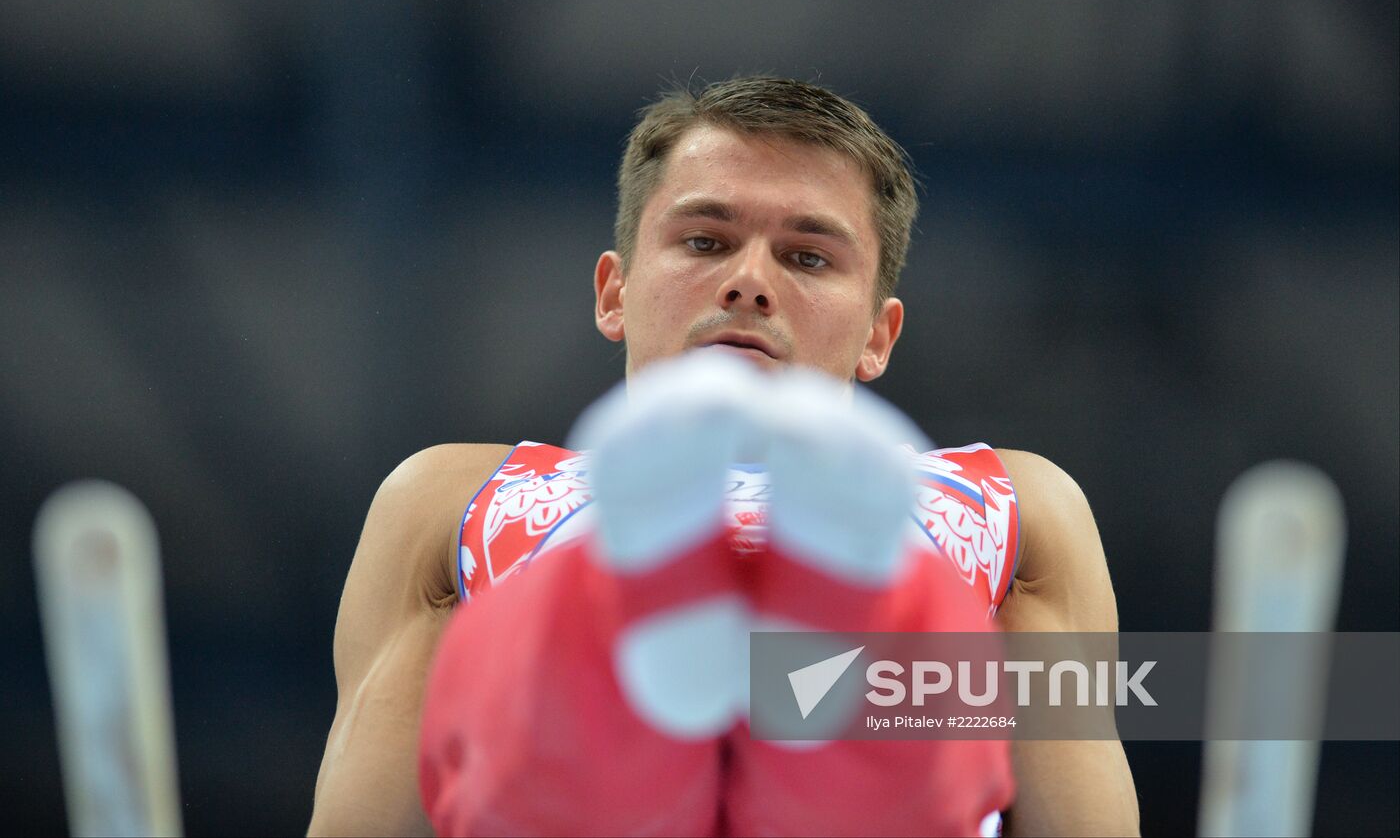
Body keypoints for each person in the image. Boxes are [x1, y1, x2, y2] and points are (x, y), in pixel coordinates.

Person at [307, 77, 1140, 837]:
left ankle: (799, 604)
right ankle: (682, 608)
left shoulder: (1015, 509)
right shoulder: (450, 498)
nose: (749, 282)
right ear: (614, 293)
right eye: (706, 243)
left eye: (807, 256)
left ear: (878, 336)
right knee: (562, 725)